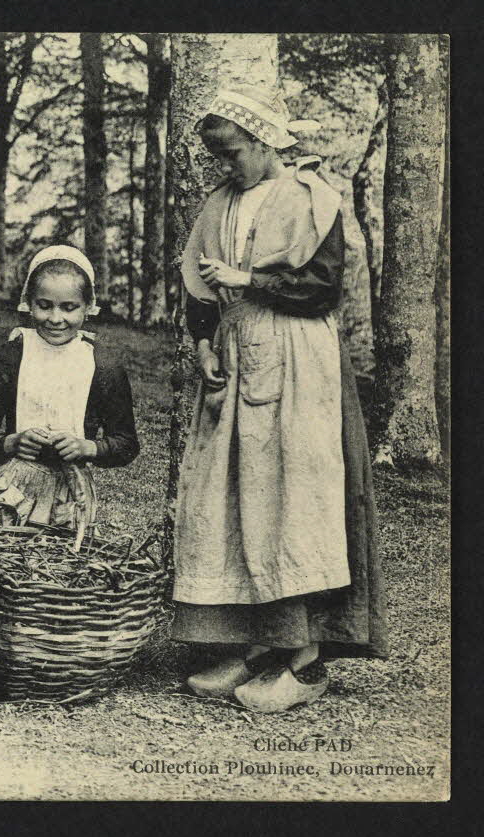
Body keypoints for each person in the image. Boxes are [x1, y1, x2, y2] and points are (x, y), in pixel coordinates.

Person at [173, 85, 387, 712]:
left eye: (232, 153)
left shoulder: (312, 198)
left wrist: (251, 279)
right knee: (236, 501)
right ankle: (251, 648)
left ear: (265, 143)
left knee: (294, 502)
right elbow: (198, 288)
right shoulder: (219, 204)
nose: (224, 166)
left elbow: (323, 289)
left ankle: (305, 661)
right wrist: (205, 345)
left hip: (298, 363)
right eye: (216, 156)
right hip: (237, 358)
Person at [0, 246, 138, 527]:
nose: (55, 318)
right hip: (12, 481)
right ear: (29, 303)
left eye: (69, 307)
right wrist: (11, 442)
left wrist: (87, 447)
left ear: (88, 307)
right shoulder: (10, 356)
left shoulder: (103, 366)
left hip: (69, 493)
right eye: (44, 305)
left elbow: (126, 444)